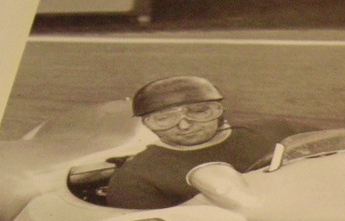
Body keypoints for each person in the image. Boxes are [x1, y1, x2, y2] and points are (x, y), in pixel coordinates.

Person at [105, 75, 287, 209]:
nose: (184, 125)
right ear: (147, 124)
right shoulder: (135, 178)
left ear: (219, 111)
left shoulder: (275, 131)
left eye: (199, 111)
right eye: (164, 118)